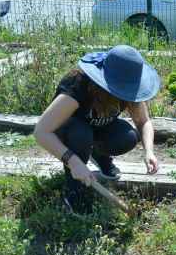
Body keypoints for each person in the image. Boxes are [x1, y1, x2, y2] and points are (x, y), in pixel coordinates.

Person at [34, 45, 161, 214]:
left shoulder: (129, 89)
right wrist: (73, 161)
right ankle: (75, 192)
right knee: (81, 134)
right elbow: (41, 132)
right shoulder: (77, 86)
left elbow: (144, 121)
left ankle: (98, 155)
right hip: (69, 133)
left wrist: (149, 152)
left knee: (127, 137)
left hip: (97, 128)